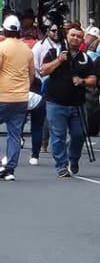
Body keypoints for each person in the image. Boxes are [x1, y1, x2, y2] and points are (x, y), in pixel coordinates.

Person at [0, 16, 37, 180]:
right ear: (18, 31)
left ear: (4, 30)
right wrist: (24, 88)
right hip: (21, 98)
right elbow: (32, 74)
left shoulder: (0, 47)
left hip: (3, 96)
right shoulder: (27, 49)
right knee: (14, 134)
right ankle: (9, 170)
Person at [40, 27, 98, 178]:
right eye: (72, 35)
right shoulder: (54, 52)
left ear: (82, 40)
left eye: (79, 36)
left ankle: (73, 159)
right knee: (58, 136)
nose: (75, 38)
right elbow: (44, 70)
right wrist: (59, 61)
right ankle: (61, 166)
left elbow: (93, 79)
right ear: (66, 36)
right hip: (56, 103)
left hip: (78, 104)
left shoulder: (85, 58)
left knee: (79, 135)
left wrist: (82, 81)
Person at [28, 24, 63, 165]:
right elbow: (35, 67)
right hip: (40, 84)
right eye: (53, 31)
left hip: (58, 84)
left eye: (58, 30)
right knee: (39, 120)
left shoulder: (63, 45)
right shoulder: (39, 46)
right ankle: (38, 148)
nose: (56, 33)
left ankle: (47, 147)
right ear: (48, 31)